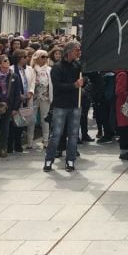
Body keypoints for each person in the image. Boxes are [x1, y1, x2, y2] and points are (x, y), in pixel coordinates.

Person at [43, 42, 84, 173]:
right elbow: (58, 85)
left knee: (73, 135)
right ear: (69, 52)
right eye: (76, 51)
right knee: (56, 134)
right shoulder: (57, 67)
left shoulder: (78, 66)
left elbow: (85, 78)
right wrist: (74, 86)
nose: (78, 53)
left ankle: (70, 160)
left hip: (75, 105)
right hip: (60, 105)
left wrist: (83, 82)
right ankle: (49, 160)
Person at [0, 54, 23, 157]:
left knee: (5, 126)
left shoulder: (14, 76)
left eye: (8, 61)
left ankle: (3, 148)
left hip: (8, 105)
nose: (7, 62)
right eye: (5, 61)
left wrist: (15, 108)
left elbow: (17, 93)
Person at [26, 50, 52, 149]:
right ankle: (30, 141)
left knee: (45, 119)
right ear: (36, 57)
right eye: (43, 57)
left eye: (46, 57)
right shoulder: (31, 69)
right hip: (34, 96)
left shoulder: (49, 69)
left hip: (45, 97)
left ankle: (46, 140)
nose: (45, 59)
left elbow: (51, 83)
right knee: (31, 119)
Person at [114, 68, 128, 161]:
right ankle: (123, 152)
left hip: (123, 105)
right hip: (124, 105)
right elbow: (119, 91)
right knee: (124, 129)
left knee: (125, 129)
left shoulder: (124, 74)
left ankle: (124, 151)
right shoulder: (123, 74)